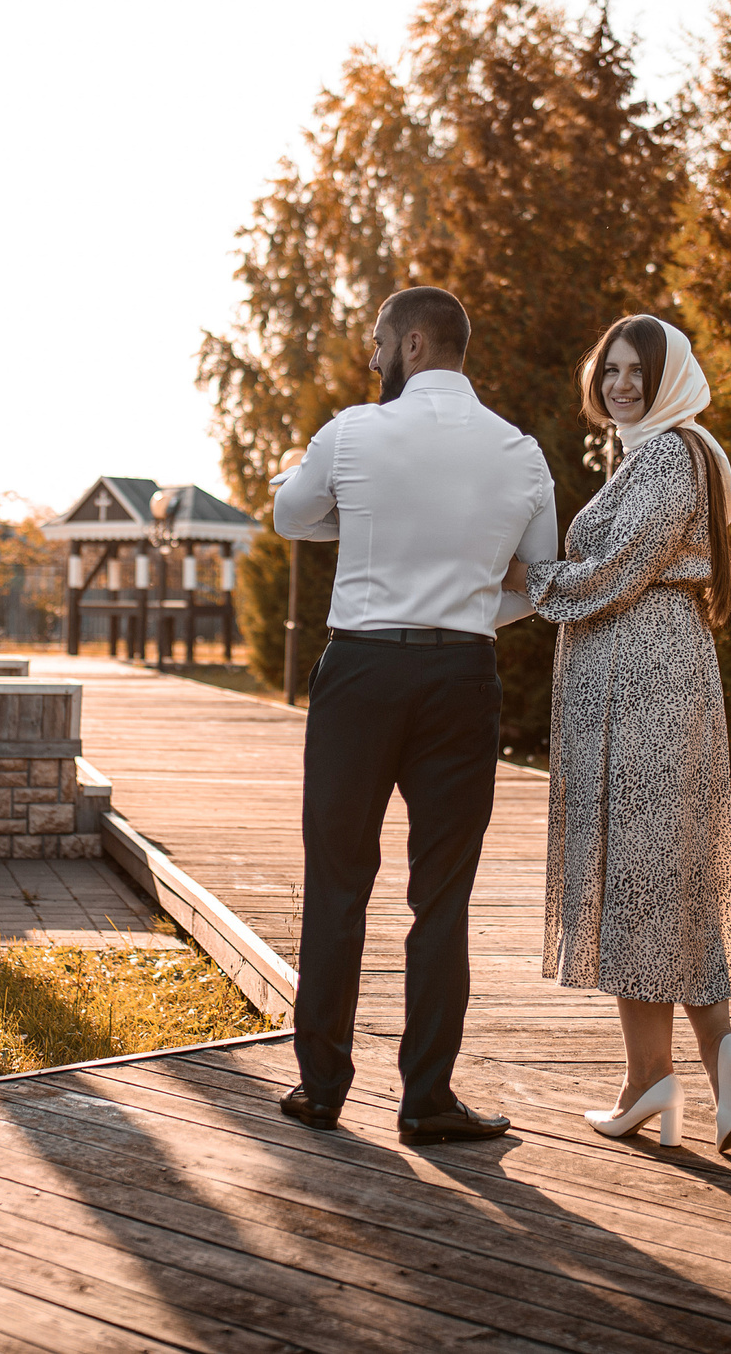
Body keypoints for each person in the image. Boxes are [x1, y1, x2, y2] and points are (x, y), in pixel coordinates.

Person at [270, 285, 557, 1145]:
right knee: (443, 897)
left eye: (378, 343)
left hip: (360, 671)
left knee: (337, 882)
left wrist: (356, 524)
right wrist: (468, 605)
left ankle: (320, 1088)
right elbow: (536, 582)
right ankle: (426, 1098)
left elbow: (290, 514)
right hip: (462, 679)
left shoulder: (353, 431)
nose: (371, 357)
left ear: (416, 342)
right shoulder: (521, 451)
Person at [507, 313, 731, 1151]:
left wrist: (530, 577)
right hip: (655, 672)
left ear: (669, 380)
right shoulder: (667, 452)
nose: (621, 383)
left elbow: (620, 571)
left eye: (638, 371)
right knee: (665, 879)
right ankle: (700, 1061)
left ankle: (654, 1078)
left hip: (646, 679)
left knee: (639, 877)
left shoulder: (666, 455)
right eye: (612, 368)